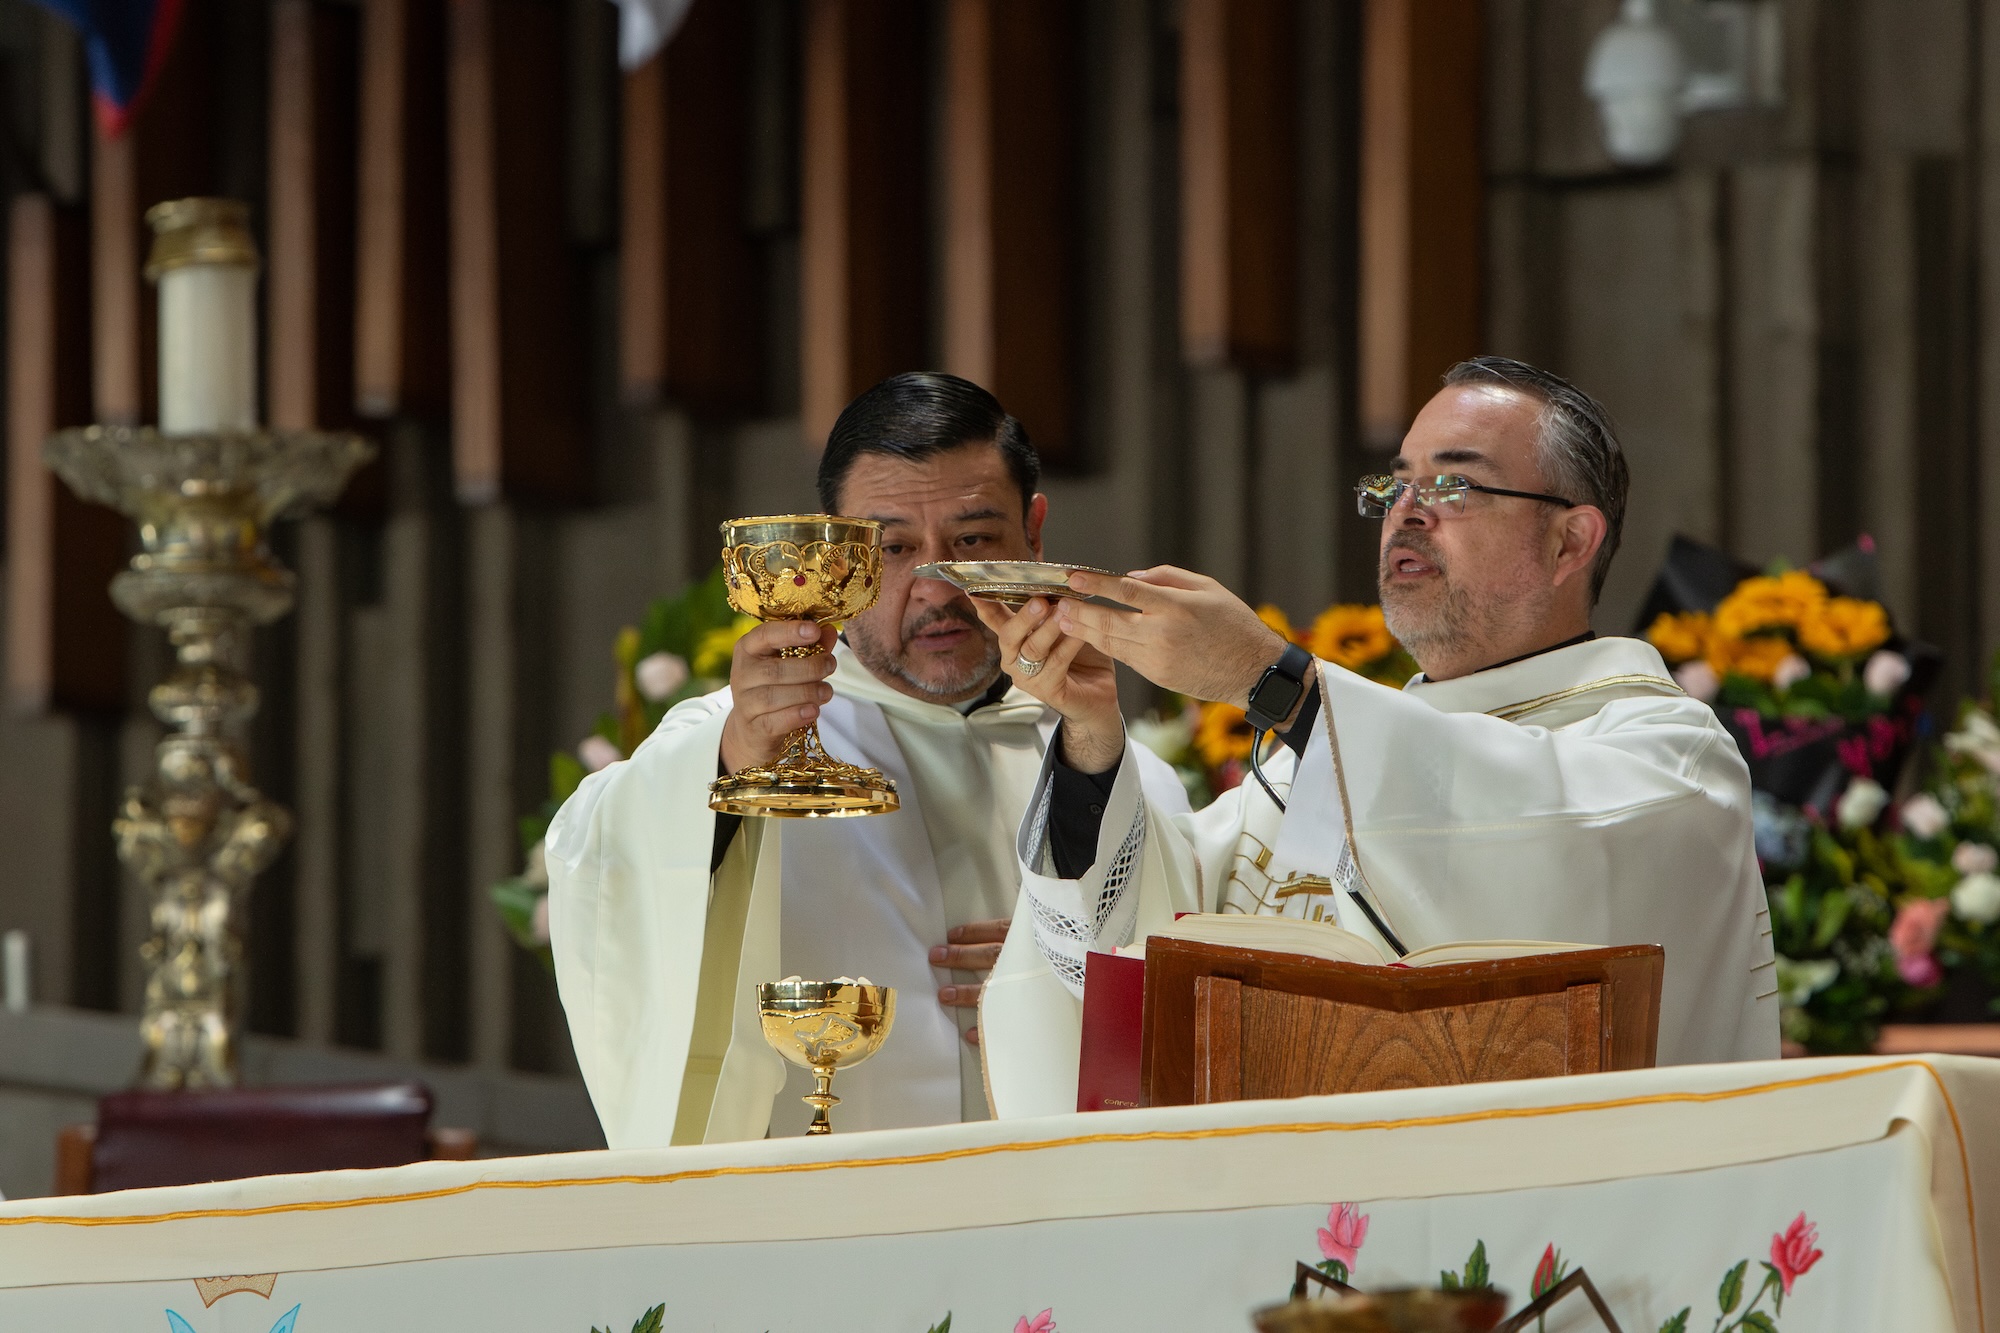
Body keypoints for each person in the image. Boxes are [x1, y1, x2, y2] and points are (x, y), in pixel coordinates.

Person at [974, 356, 1779, 1116]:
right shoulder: (1320, 767)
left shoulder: (1669, 758)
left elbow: (1556, 859)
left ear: (1569, 541)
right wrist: (1090, 735)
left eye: (1454, 484)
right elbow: (1129, 949)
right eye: (1396, 484)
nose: (1407, 511)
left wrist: (1272, 679)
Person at [545, 372, 1186, 1146]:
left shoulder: (1113, 760)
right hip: (833, 1198)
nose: (936, 589)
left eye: (974, 540)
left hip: (1060, 1196)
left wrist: (1058, 964)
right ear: (834, 554)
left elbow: (1196, 997)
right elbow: (600, 857)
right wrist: (732, 757)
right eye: (894, 548)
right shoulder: (746, 743)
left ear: (1034, 532)